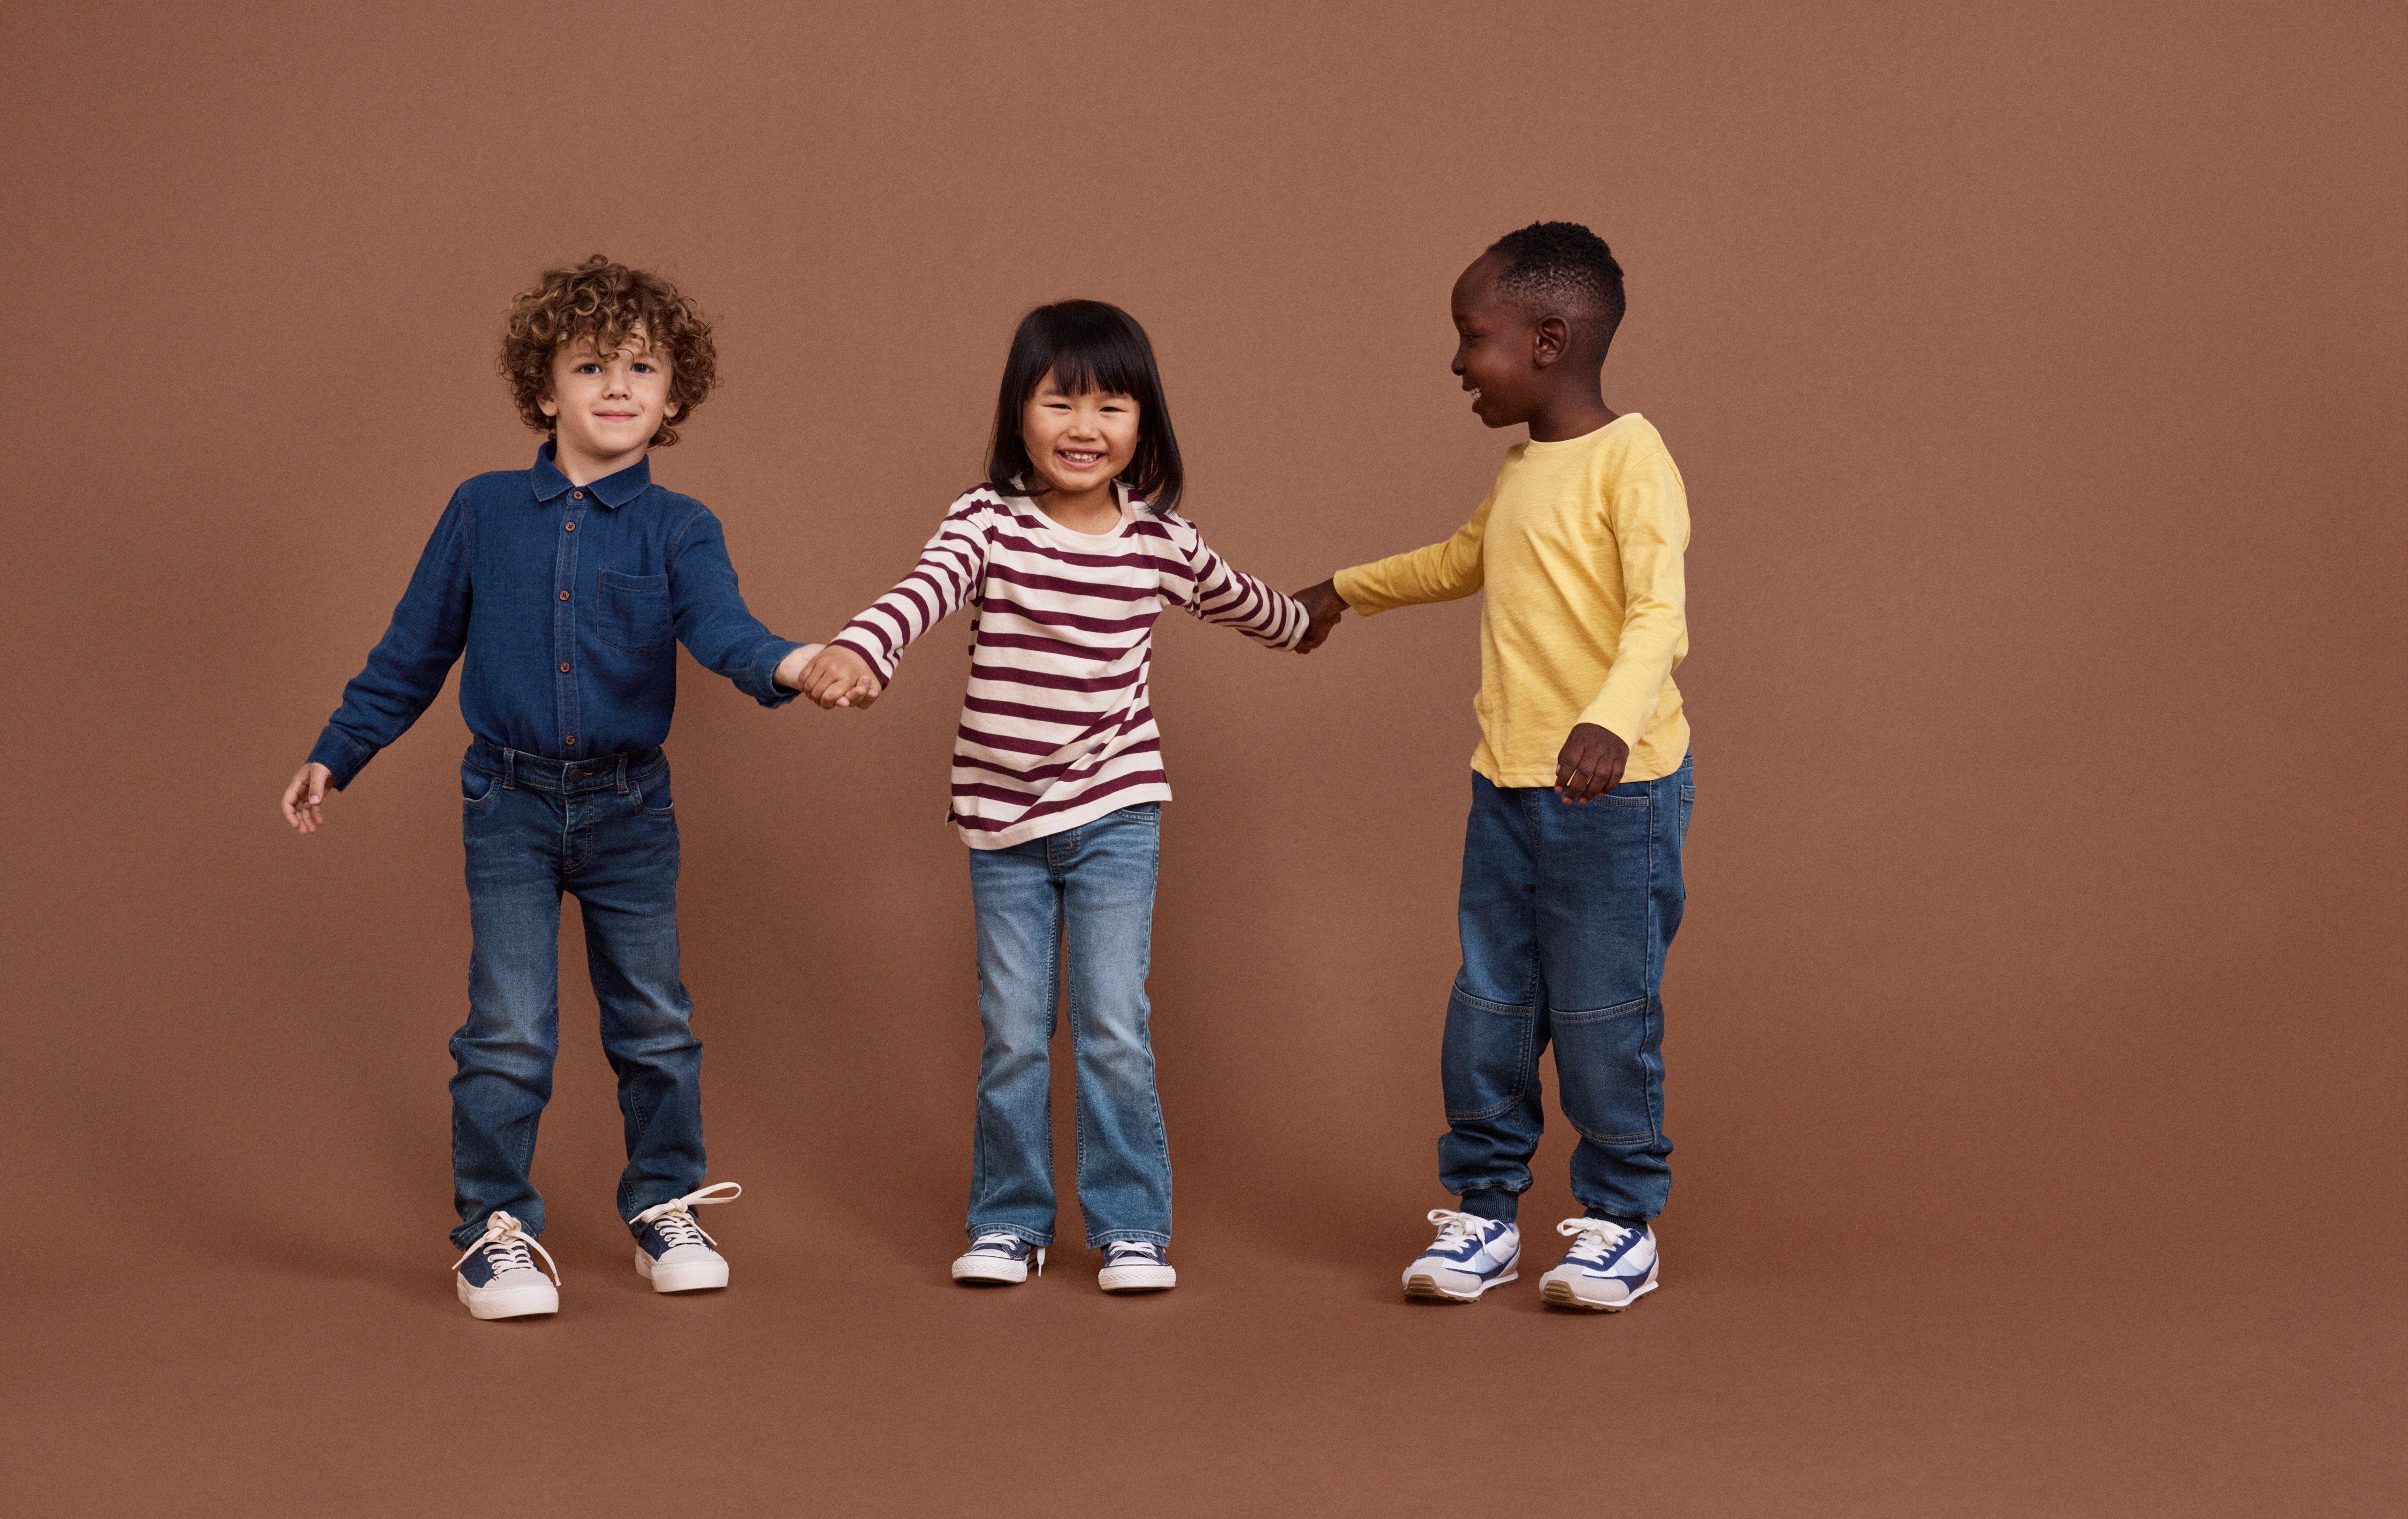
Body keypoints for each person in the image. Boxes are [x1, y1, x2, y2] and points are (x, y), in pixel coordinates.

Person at [279, 256, 818, 1319]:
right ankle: (495, 1229)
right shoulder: (482, 511)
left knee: (655, 1024)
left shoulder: (681, 527)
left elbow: (724, 629)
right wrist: (339, 749)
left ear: (674, 398)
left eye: (642, 368)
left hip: (631, 809)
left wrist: (793, 664)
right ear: (544, 389)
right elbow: (414, 650)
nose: (617, 386)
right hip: (510, 805)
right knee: (510, 1028)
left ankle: (665, 1204)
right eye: (590, 366)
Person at [798, 300, 1309, 1293]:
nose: (1085, 427)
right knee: (1013, 1033)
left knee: (1112, 1024)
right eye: (1060, 402)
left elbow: (1242, 599)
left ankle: (1131, 1228)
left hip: (1117, 807)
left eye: (1112, 406)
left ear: (1144, 424)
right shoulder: (987, 521)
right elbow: (922, 590)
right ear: (1018, 415)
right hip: (1002, 824)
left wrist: (1310, 617)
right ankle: (1010, 1220)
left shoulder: (1158, 540)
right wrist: (862, 648)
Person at [1294, 222, 1694, 1311]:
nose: (1458, 363)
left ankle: (1621, 1222)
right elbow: (1459, 561)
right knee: (1491, 1006)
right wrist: (1342, 590)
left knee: (1604, 1009)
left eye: (1473, 338)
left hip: (1617, 796)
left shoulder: (1634, 460)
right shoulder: (1523, 470)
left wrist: (1608, 722)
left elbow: (1658, 615)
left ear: (1548, 341)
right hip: (1509, 787)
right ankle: (1484, 1212)